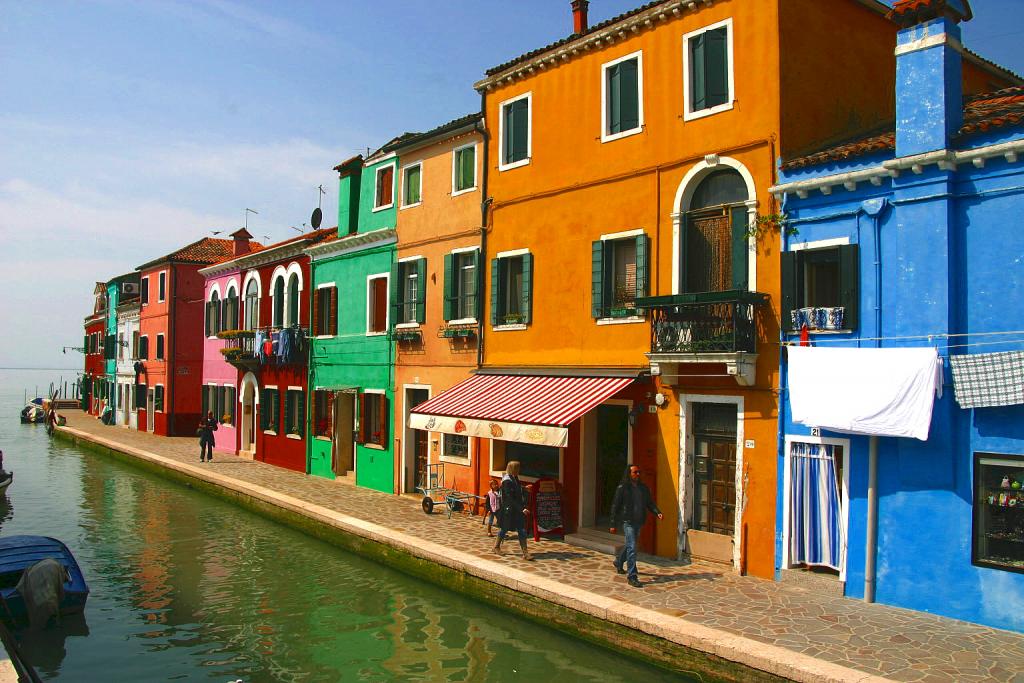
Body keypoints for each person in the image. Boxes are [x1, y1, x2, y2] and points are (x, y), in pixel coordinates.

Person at [610, 464, 663, 588]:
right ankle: (632, 576)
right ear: (629, 474)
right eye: (635, 472)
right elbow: (615, 506)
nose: (638, 474)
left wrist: (657, 512)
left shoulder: (643, 488)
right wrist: (612, 523)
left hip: (639, 521)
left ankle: (618, 561)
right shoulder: (623, 488)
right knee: (633, 547)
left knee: (630, 545)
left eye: (639, 472)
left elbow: (650, 503)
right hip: (628, 522)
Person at [495, 461, 531, 560]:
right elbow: (510, 497)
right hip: (509, 509)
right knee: (504, 529)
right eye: (518, 468)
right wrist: (521, 509)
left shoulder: (515, 478)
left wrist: (524, 489)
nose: (519, 470)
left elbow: (517, 490)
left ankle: (525, 552)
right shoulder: (506, 481)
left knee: (521, 530)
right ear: (513, 469)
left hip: (517, 510)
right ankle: (496, 546)